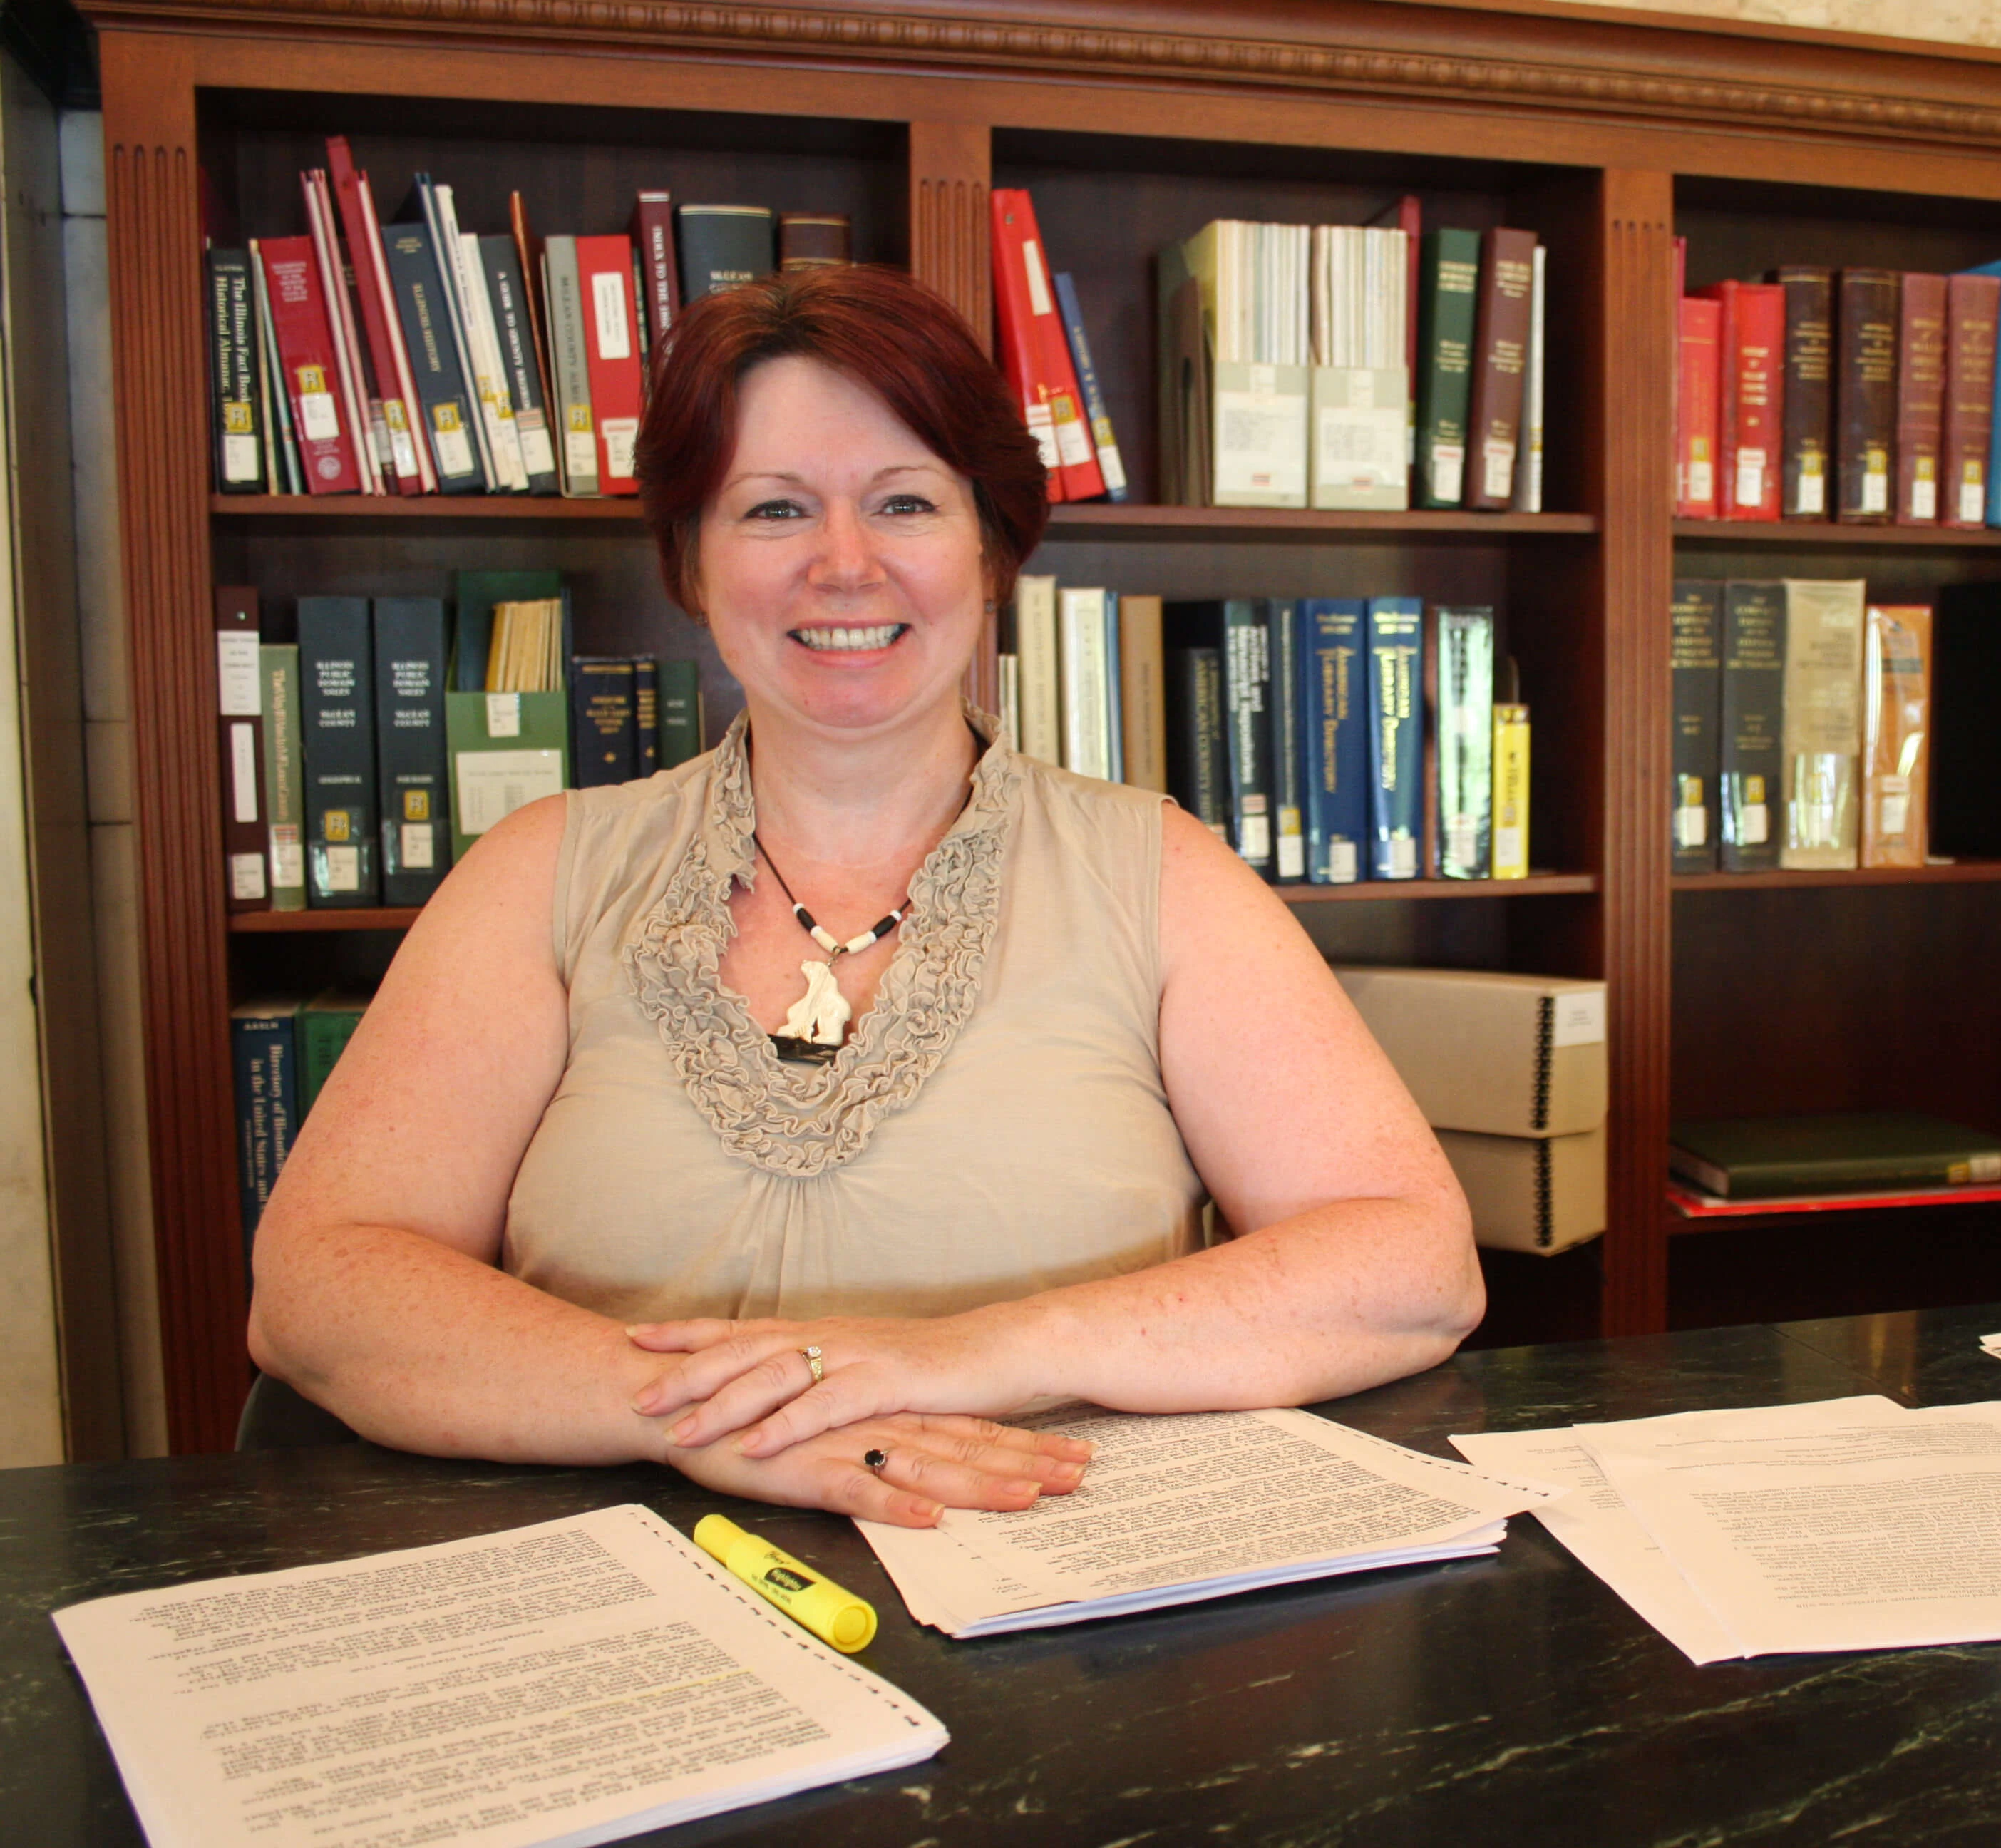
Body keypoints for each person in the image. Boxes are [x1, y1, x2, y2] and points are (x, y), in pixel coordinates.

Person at [247, 265, 1483, 1526]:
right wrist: (712, 1423)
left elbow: (1410, 1267)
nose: (845, 566)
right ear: (689, 558)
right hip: (617, 1606)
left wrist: (966, 1355)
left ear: (992, 547)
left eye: (904, 502)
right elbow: (319, 1286)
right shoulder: (538, 873)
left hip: (1052, 1590)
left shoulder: (1162, 877)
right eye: (775, 511)